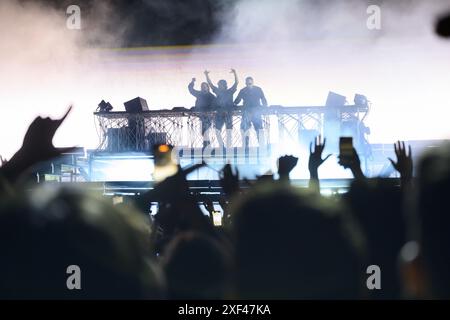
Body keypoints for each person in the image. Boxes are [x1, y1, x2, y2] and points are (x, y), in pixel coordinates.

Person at [204, 69, 239, 147]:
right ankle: (222, 146)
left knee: (228, 130)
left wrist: (235, 73)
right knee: (218, 130)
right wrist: (206, 75)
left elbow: (236, 83)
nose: (219, 86)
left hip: (227, 113)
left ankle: (228, 146)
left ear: (224, 85)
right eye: (219, 85)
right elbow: (210, 84)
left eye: (220, 85)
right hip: (220, 113)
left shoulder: (229, 91)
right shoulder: (219, 91)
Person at [234, 77, 268, 147]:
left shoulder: (258, 89)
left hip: (255, 112)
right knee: (245, 129)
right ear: (245, 83)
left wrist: (265, 107)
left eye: (250, 83)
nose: (249, 84)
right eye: (247, 83)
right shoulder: (243, 91)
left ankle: (261, 145)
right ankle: (246, 145)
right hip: (247, 112)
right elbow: (237, 100)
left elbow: (263, 98)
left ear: (253, 82)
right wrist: (233, 104)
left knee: (258, 129)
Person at [188, 78, 216, 148]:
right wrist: (192, 82)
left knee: (205, 131)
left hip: (208, 115)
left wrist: (211, 113)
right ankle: (207, 145)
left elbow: (215, 105)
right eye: (202, 87)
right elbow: (191, 90)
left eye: (204, 86)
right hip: (202, 115)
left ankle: (206, 145)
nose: (203, 88)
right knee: (204, 132)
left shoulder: (211, 96)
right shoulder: (199, 94)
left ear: (207, 87)